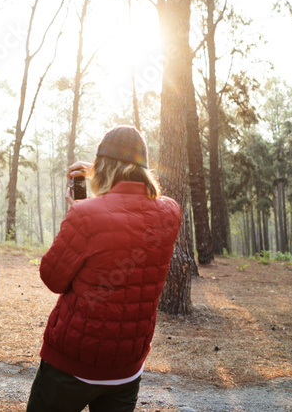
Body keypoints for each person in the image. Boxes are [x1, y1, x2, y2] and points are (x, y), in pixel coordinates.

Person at [26, 125, 182, 412]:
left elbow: (53, 278)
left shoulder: (86, 215)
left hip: (72, 364)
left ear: (102, 166)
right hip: (126, 365)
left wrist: (78, 209)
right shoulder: (170, 213)